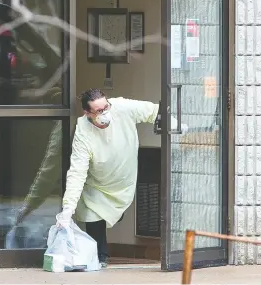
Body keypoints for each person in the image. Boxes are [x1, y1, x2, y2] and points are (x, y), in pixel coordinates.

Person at [55, 88, 187, 268]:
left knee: (117, 214)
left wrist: (173, 123)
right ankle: (99, 258)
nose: (105, 113)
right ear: (87, 113)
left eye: (106, 107)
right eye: (99, 111)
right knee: (92, 215)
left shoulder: (123, 107)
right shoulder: (82, 132)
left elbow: (154, 111)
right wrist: (67, 208)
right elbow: (77, 171)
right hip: (96, 183)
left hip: (123, 180)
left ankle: (101, 250)